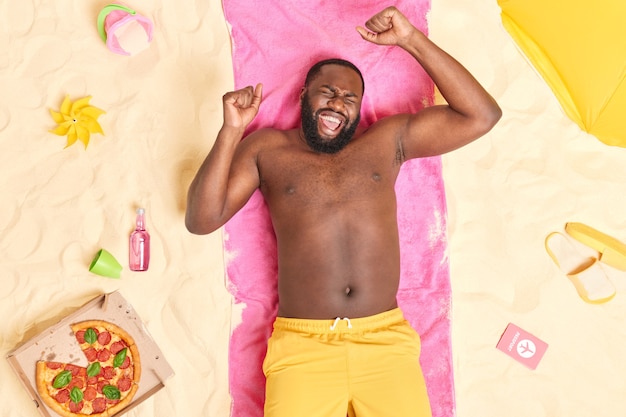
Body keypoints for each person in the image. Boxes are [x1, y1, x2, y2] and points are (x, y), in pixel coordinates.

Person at [186, 6, 501, 417]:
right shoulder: (267, 149)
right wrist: (231, 131)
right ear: (303, 96)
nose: (339, 103)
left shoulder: (387, 141)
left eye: (351, 98)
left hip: (384, 341)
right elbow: (202, 220)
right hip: (303, 347)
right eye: (328, 92)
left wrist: (410, 40)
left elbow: (482, 116)